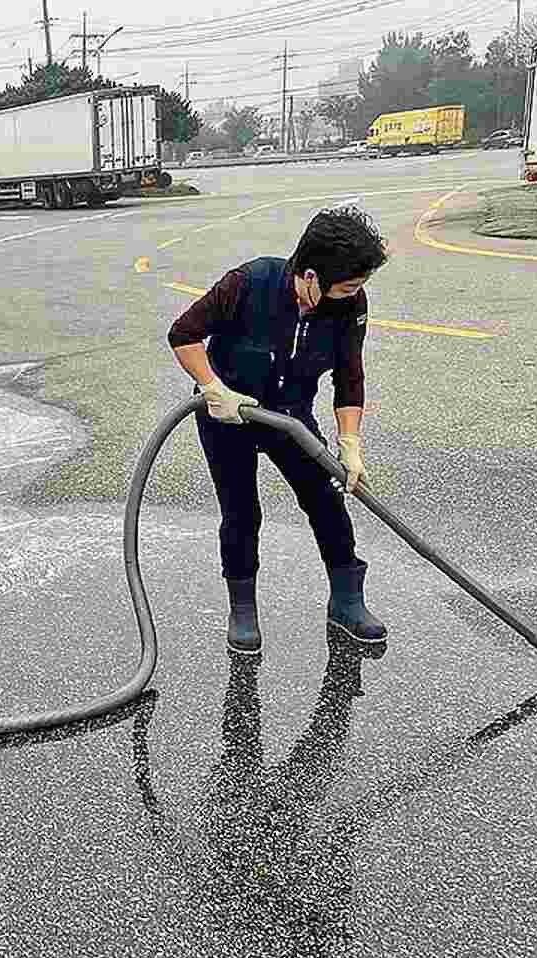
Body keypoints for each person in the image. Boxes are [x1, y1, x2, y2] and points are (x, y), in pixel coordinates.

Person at [167, 205, 388, 655]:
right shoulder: (247, 284)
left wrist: (350, 444)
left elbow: (349, 377)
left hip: (291, 419)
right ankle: (243, 608)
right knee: (241, 511)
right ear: (309, 275)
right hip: (229, 415)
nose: (353, 294)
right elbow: (183, 333)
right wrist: (214, 389)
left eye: (359, 286)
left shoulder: (349, 306)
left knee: (326, 499)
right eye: (346, 286)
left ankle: (347, 599)